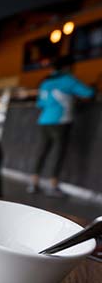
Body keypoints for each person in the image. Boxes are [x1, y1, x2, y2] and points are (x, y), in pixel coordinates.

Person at [29, 55, 94, 196]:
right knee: (58, 153)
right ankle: (53, 186)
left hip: (44, 120)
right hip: (60, 122)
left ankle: (33, 183)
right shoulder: (68, 80)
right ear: (67, 67)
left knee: (42, 151)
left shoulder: (45, 82)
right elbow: (89, 93)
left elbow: (40, 103)